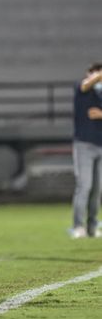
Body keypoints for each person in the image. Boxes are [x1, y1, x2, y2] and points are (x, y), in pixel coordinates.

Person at [70, 63, 102, 238]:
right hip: (84, 145)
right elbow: (85, 85)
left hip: (101, 145)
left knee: (97, 190)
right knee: (84, 186)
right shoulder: (82, 87)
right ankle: (78, 226)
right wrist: (97, 76)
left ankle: (92, 227)